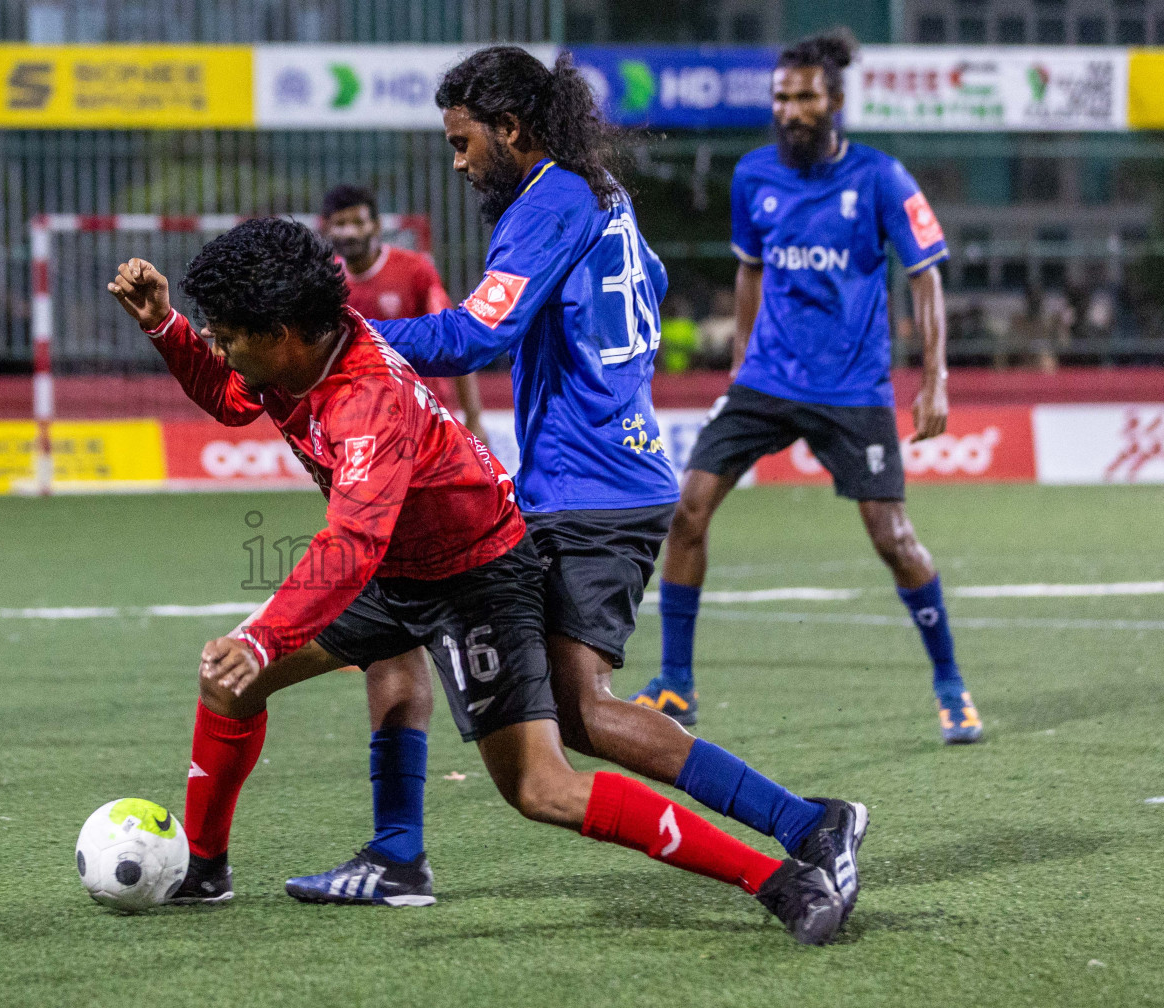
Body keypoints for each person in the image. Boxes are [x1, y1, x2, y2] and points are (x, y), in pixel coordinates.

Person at [108, 218, 849, 945]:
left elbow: (354, 540)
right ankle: (210, 871)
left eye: (227, 333)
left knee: (541, 788)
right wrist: (166, 327)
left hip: (476, 581)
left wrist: (267, 636)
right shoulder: (300, 356)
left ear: (281, 331)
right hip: (398, 565)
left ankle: (778, 880)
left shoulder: (366, 402)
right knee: (229, 682)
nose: (220, 346)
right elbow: (236, 399)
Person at [286, 46, 867, 926]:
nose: (458, 160)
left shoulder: (548, 198)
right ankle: (397, 849)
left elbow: (481, 334)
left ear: (510, 129)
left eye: (463, 140)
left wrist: (340, 337)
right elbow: (654, 284)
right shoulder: (599, 195)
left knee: (576, 708)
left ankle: (806, 824)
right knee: (493, 662)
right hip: (594, 477)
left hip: (590, 490)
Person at [631, 30, 984, 746]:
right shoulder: (755, 175)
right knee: (688, 511)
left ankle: (952, 685)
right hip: (765, 379)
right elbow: (750, 271)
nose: (790, 110)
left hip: (853, 388)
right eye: (781, 98)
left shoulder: (882, 178)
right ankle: (675, 684)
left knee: (893, 536)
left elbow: (926, 277)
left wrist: (933, 379)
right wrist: (737, 369)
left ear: (835, 101)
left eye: (804, 97)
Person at [320, 184, 490, 445]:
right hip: (363, 422)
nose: (350, 232)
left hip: (424, 415)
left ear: (376, 226)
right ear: (327, 229)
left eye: (358, 222)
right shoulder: (325, 283)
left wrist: (474, 418)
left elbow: (453, 337)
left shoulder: (415, 270)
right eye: (340, 224)